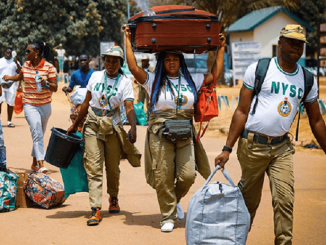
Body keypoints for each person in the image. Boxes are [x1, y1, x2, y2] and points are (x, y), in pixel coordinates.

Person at [215, 24, 326, 245]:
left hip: (282, 149)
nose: (296, 47)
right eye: (292, 42)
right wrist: (227, 149)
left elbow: (316, 120)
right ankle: (236, 240)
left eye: (300, 44)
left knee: (285, 200)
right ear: (281, 43)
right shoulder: (259, 69)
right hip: (252, 146)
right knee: (248, 202)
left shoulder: (307, 79)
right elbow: (241, 111)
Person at [125, 25, 226, 232]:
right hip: (159, 133)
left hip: (185, 132)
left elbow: (215, 73)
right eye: (168, 59)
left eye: (176, 59)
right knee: (163, 175)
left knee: (188, 175)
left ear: (181, 62)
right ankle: (167, 216)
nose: (172, 62)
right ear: (162, 62)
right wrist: (126, 38)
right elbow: (133, 68)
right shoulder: (153, 80)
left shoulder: (193, 80)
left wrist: (222, 48)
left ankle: (173, 200)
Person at [67, 46, 141, 226]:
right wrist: (76, 124)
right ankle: (95, 208)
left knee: (113, 167)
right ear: (103, 61)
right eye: (108, 60)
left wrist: (133, 126)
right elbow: (86, 103)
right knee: (93, 166)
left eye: (115, 61)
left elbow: (129, 107)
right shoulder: (95, 76)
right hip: (93, 123)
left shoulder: (124, 82)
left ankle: (113, 197)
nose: (111, 64)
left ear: (120, 63)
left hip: (113, 126)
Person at [3, 41, 58, 174]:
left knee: (39, 132)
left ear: (36, 53)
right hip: (29, 104)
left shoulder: (49, 67)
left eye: (28, 51)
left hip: (45, 106)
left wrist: (45, 83)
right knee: (37, 132)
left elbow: (55, 87)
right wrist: (9, 77)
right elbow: (20, 77)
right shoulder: (26, 66)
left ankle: (34, 162)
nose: (26, 53)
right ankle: (41, 164)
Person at [0, 47, 22, 127]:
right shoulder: (1, 61)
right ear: (4, 53)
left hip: (12, 85)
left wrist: (16, 63)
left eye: (10, 52)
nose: (8, 54)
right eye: (7, 52)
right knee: (0, 102)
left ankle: (9, 121)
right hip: (1, 85)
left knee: (11, 103)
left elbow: (20, 72)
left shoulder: (15, 61)